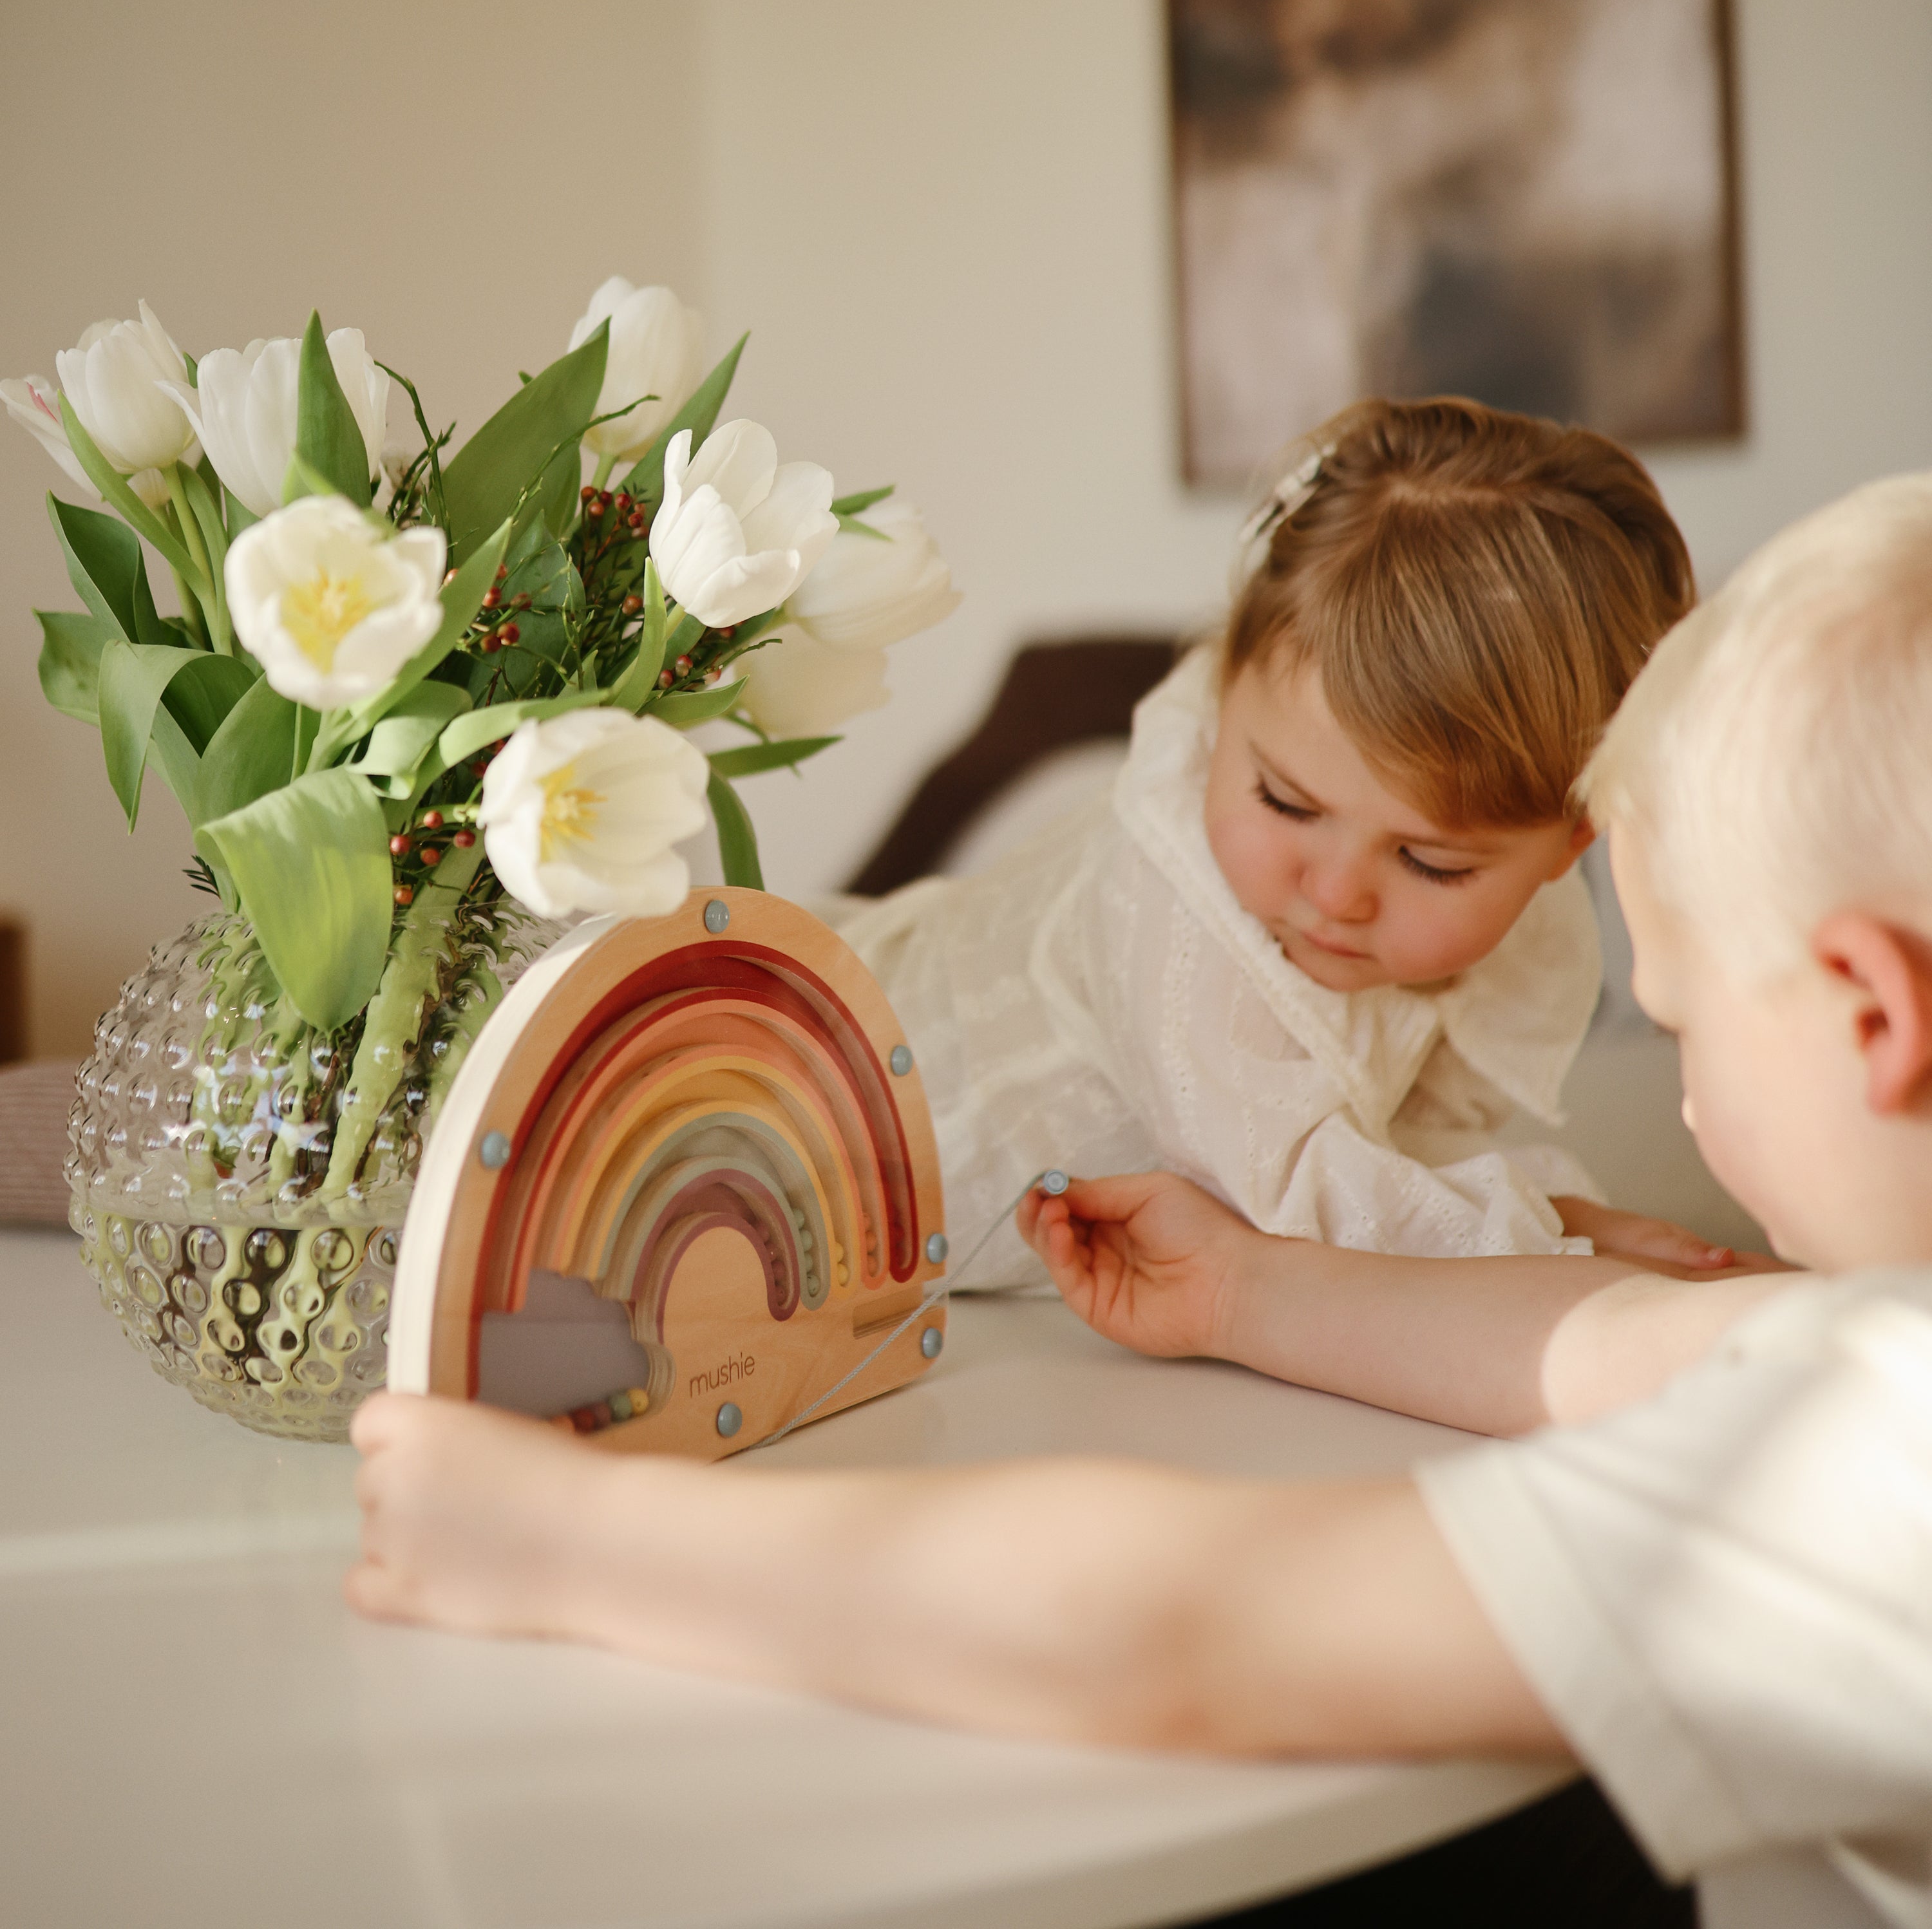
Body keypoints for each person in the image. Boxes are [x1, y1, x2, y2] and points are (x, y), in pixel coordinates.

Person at [351, 475, 1932, 1926]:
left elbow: (1189, 1626)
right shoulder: (1870, 1368)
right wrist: (1252, 1289)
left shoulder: (1883, 1458)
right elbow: (1619, 1350)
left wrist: (574, 1544)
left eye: (1682, 1015)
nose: (1678, 1077)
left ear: (1875, 1019)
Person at [833, 397, 1727, 1283]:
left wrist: (1543, 1219)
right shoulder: (1173, 904)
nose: (1337, 893)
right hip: (816, 1111)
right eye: (1287, 804)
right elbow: (1297, 1208)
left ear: (1573, 842)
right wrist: (1557, 1230)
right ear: (1225, 690)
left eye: (1431, 863)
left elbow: (1401, 1140)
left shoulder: (1499, 929)